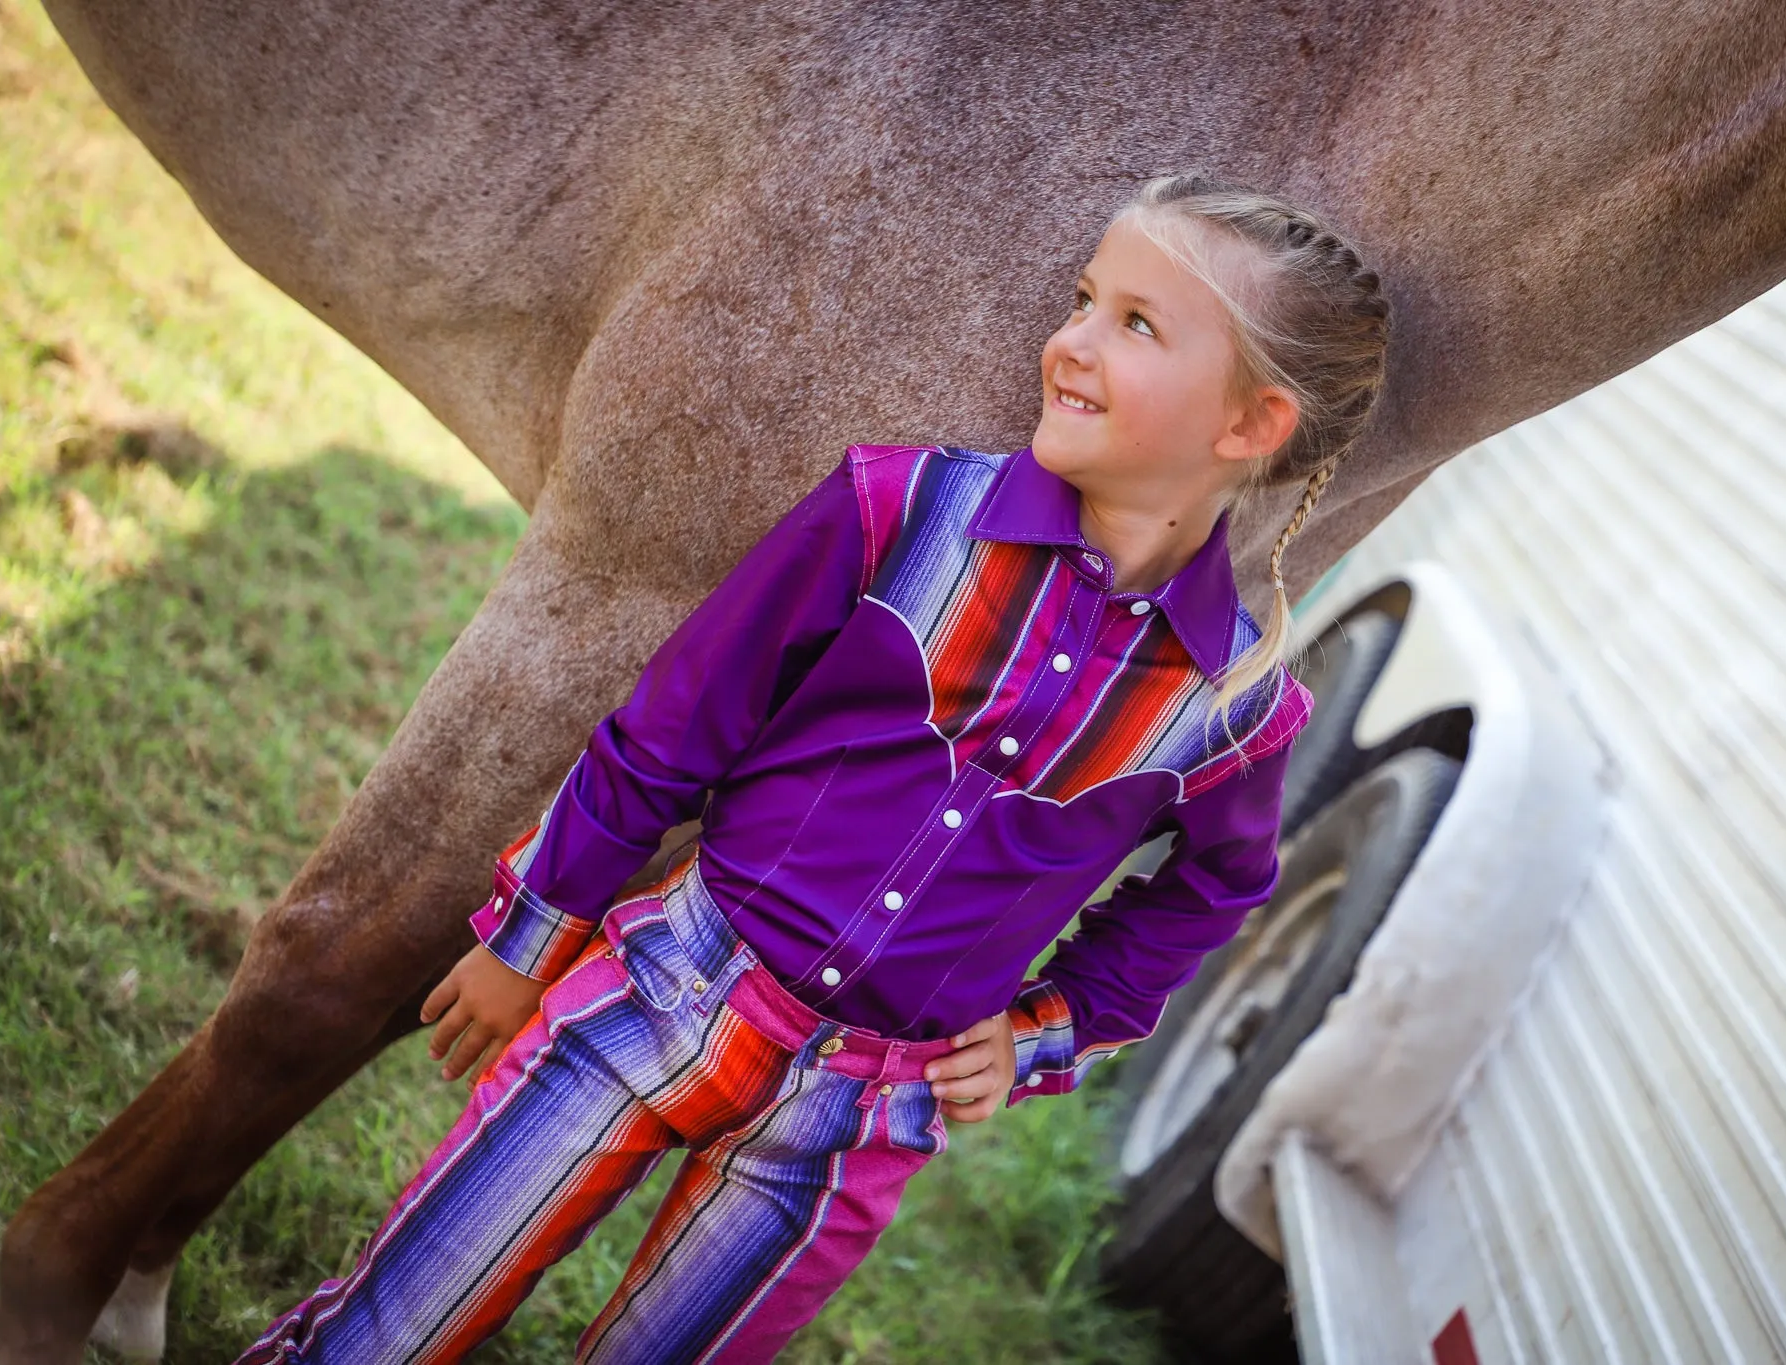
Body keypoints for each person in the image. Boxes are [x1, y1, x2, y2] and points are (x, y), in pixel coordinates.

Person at [235, 169, 1390, 1365]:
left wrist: (1052, 1026)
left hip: (858, 1123)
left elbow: (1211, 892)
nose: (1070, 342)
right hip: (665, 993)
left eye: (1135, 325)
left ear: (1249, 425)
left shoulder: (1234, 710)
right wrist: (533, 938)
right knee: (387, 1332)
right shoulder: (897, 511)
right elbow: (674, 724)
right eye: (1084, 298)